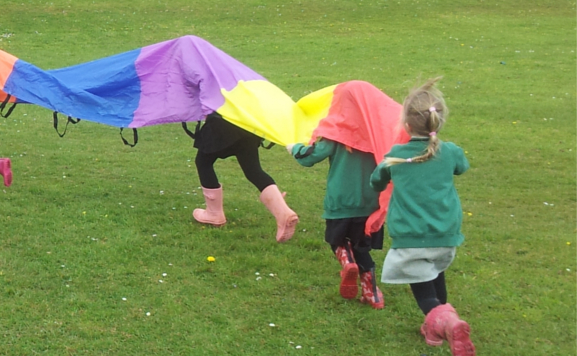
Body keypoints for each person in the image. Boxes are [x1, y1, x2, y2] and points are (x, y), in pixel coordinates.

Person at [370, 77, 474, 355]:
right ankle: (434, 330)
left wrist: (379, 184)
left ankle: (447, 322)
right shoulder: (449, 152)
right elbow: (462, 167)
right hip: (446, 232)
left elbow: (376, 179)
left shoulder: (396, 156)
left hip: (412, 236)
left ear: (406, 124)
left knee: (423, 289)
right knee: (435, 272)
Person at [289, 139, 385, 309]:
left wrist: (294, 148)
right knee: (361, 247)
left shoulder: (338, 131)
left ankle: (347, 262)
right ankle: (372, 294)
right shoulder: (376, 129)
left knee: (337, 240)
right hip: (370, 201)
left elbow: (311, 156)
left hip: (341, 201)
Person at [190, 112, 297, 242]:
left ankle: (214, 214)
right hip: (247, 123)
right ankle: (284, 212)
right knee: (253, 170)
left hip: (223, 122)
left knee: (203, 162)